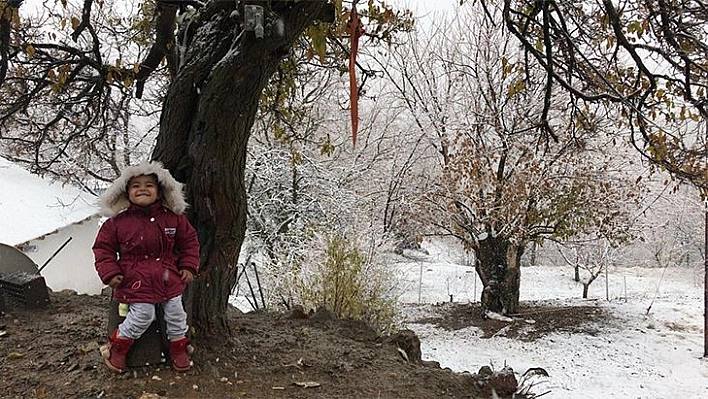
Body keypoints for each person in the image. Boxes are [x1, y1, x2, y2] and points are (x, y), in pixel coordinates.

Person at [93, 161, 200, 373]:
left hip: (168, 277)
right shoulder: (117, 223)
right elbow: (103, 249)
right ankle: (117, 346)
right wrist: (110, 273)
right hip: (134, 280)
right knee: (142, 315)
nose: (142, 188)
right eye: (136, 185)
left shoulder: (174, 219)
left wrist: (188, 266)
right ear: (126, 193)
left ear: (160, 192)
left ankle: (178, 347)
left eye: (149, 185)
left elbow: (189, 243)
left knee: (177, 314)